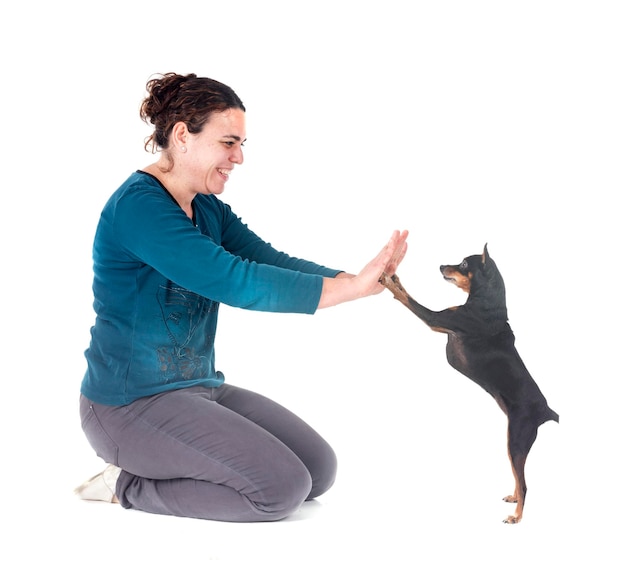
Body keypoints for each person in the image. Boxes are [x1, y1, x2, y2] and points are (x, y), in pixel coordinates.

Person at [75, 72, 408, 522]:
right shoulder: (138, 207)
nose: (239, 157)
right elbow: (235, 280)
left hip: (197, 390)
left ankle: (160, 467)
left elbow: (265, 258)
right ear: (182, 136)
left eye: (242, 144)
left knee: (319, 470)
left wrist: (358, 279)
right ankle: (126, 484)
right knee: (279, 490)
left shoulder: (205, 204)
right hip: (128, 406)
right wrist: (346, 290)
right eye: (229, 143)